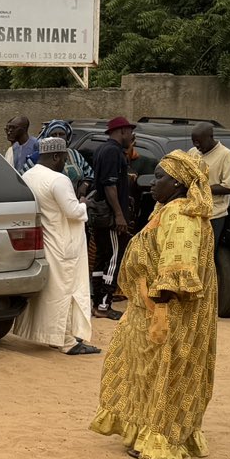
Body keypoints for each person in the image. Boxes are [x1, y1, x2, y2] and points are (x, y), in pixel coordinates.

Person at [88, 150, 218, 459]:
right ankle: (144, 431)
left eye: (159, 177)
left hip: (164, 313)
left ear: (178, 183)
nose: (151, 183)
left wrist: (159, 311)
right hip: (148, 308)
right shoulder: (169, 211)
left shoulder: (179, 216)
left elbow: (177, 269)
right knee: (144, 372)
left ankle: (159, 437)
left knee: (163, 371)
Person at [11, 137, 96, 355]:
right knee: (66, 292)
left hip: (47, 241)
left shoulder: (29, 175)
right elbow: (72, 211)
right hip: (65, 243)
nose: (65, 163)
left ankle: (54, 336)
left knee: (51, 293)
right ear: (56, 156)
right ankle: (67, 342)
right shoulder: (58, 180)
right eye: (64, 159)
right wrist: (84, 204)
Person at [89, 118, 141, 317]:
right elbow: (110, 186)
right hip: (110, 217)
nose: (132, 137)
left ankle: (97, 303)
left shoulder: (104, 150)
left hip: (103, 215)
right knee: (113, 259)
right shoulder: (112, 152)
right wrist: (119, 215)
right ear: (122, 131)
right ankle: (104, 305)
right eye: (130, 132)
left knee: (102, 258)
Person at [187, 123, 230, 259]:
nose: (197, 145)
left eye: (199, 141)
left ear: (210, 137)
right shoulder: (193, 152)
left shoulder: (226, 155)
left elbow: (229, 187)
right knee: (191, 253)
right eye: (194, 142)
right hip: (192, 211)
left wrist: (200, 187)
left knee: (206, 255)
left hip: (213, 214)